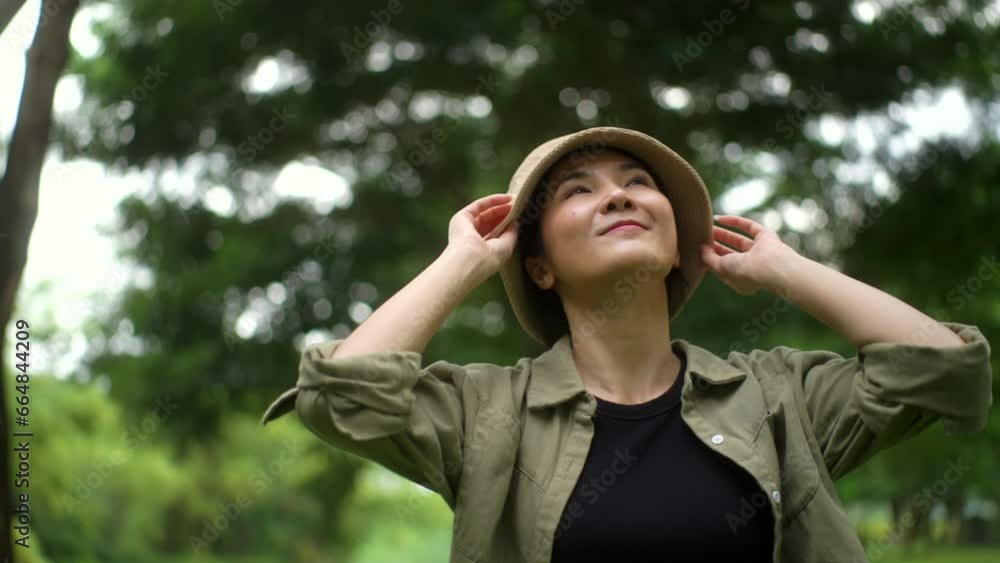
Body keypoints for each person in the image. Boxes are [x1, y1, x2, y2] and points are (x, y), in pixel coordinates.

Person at [261, 127, 993, 563]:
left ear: (677, 245)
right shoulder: (487, 412)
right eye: (579, 190)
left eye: (639, 183)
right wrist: (463, 263)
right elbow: (342, 398)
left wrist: (790, 272)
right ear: (538, 264)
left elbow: (945, 370)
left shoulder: (778, 396)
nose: (618, 195)